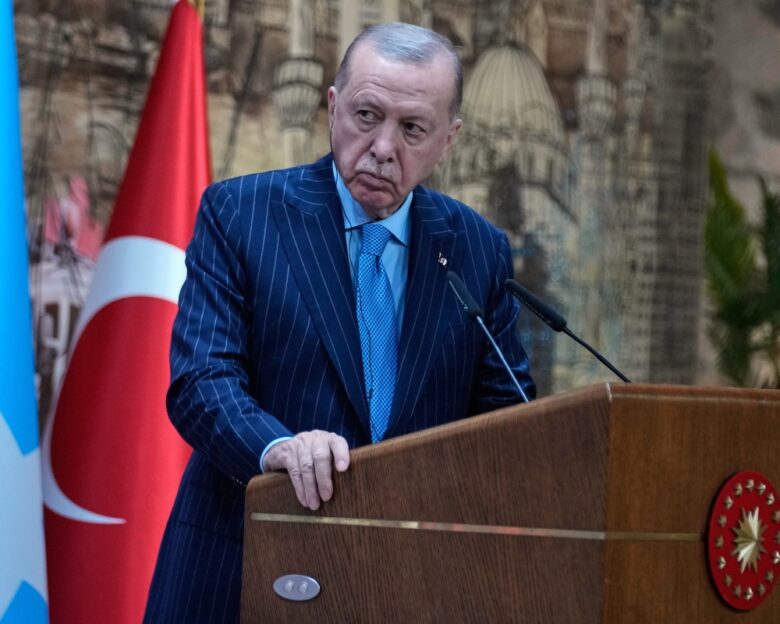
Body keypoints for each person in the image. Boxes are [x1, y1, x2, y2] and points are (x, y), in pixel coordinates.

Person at [144, 22, 535, 623]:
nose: (382, 147)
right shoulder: (241, 214)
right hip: (244, 571)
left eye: (411, 129)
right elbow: (201, 383)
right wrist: (277, 447)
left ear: (448, 141)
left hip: (404, 588)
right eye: (366, 115)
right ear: (331, 108)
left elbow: (507, 420)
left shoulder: (477, 250)